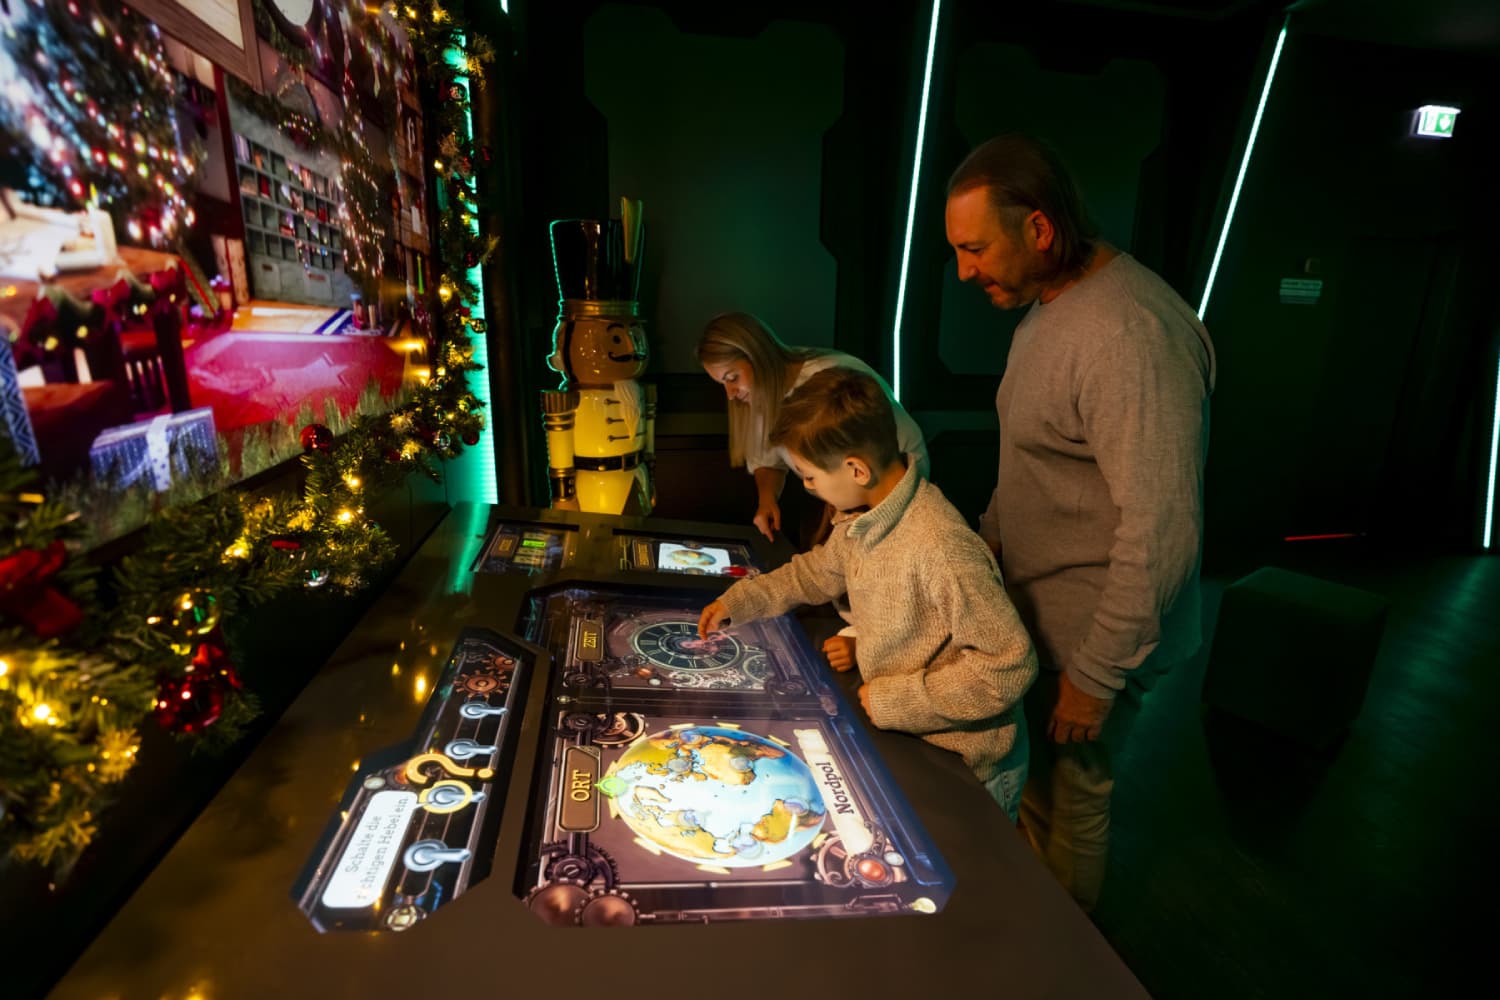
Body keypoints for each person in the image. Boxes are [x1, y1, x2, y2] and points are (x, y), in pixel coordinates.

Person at [942, 134, 1216, 910]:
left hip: (1093, 636)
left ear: (1038, 228)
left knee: (1075, 798)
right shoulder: (1047, 307)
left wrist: (1095, 678)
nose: (965, 272)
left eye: (975, 249)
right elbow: (1028, 462)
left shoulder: (1130, 333)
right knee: (1035, 790)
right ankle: (1033, 932)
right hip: (1037, 619)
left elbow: (1162, 533)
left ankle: (1067, 965)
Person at [697, 367, 1036, 819]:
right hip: (912, 740)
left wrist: (895, 700)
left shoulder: (941, 546)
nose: (806, 486)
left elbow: (1008, 666)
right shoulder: (864, 518)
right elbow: (815, 573)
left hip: (968, 770)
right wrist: (737, 602)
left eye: (810, 476)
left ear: (856, 468)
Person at [697, 312, 927, 544]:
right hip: (839, 504)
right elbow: (768, 459)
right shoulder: (756, 397)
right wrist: (767, 500)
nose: (730, 395)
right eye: (722, 383)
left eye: (733, 377)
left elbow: (884, 464)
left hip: (893, 497)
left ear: (757, 356)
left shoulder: (828, 381)